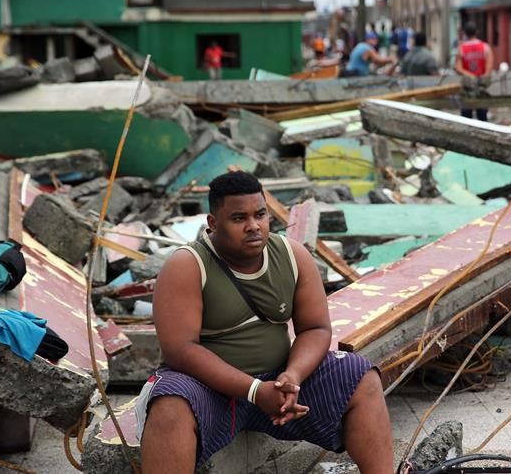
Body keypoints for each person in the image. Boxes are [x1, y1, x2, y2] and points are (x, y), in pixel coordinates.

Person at [138, 171, 393, 474]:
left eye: (261, 214)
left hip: (279, 384)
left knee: (360, 375)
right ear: (212, 223)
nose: (253, 226)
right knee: (169, 408)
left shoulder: (291, 255)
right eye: (238, 218)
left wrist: (293, 376)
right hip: (211, 391)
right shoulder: (187, 266)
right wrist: (255, 391)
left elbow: (315, 328)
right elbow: (180, 350)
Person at [455, 21, 493, 121]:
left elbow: (458, 68)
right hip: (482, 87)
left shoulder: (461, 48)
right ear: (477, 32)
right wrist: (481, 78)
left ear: (464, 33)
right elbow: (488, 68)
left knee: (466, 118)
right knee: (482, 117)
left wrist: (470, 75)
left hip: (467, 88)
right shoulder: (485, 47)